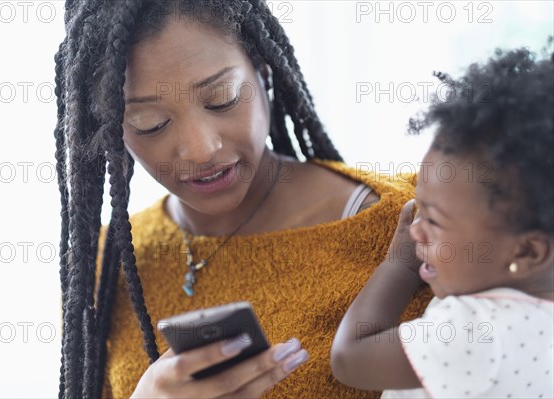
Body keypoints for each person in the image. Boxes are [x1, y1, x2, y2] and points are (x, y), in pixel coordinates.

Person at [53, 1, 432, 398]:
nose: (201, 150)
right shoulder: (104, 269)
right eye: (151, 124)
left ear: (262, 67)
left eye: (222, 98)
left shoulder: (408, 232)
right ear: (112, 128)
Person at [330, 46, 554, 398]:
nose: (415, 230)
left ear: (527, 251)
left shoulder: (479, 330)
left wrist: (398, 266)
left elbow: (349, 357)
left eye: (433, 220)